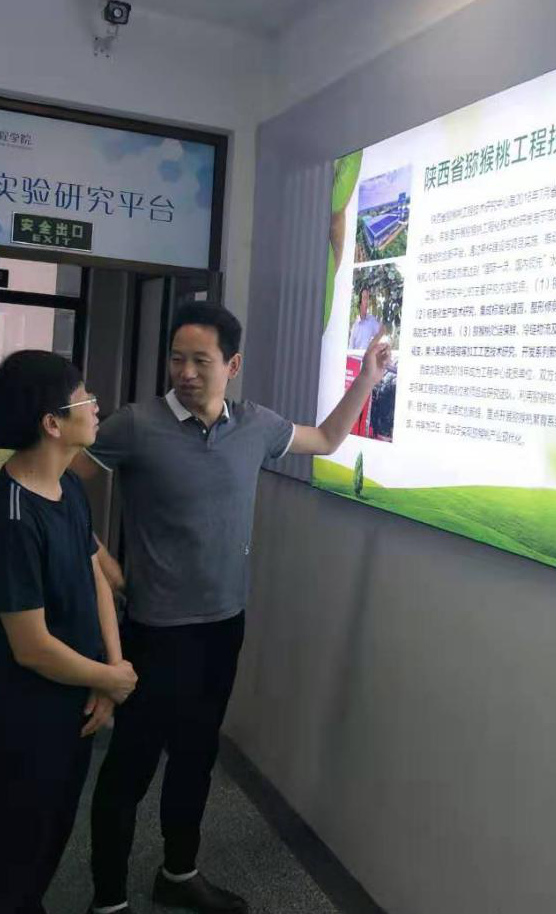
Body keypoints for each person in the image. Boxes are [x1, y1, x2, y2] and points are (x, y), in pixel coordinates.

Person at [75, 303, 390, 914]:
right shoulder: (135, 426)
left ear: (233, 365)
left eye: (201, 360)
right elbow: (60, 479)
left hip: (223, 626)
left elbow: (325, 440)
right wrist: (100, 561)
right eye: (177, 359)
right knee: (129, 768)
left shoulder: (255, 426)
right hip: (155, 630)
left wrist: (368, 379)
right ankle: (107, 900)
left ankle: (178, 873)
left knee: (196, 756)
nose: (185, 372)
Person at [0, 350, 138, 914]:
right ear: (52, 423)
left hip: (73, 705)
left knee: (47, 842)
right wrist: (109, 678)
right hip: (25, 718)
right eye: (85, 397)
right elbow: (31, 647)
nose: (97, 405)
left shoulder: (67, 488)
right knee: (6, 857)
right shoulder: (9, 519)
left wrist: (109, 671)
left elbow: (95, 573)